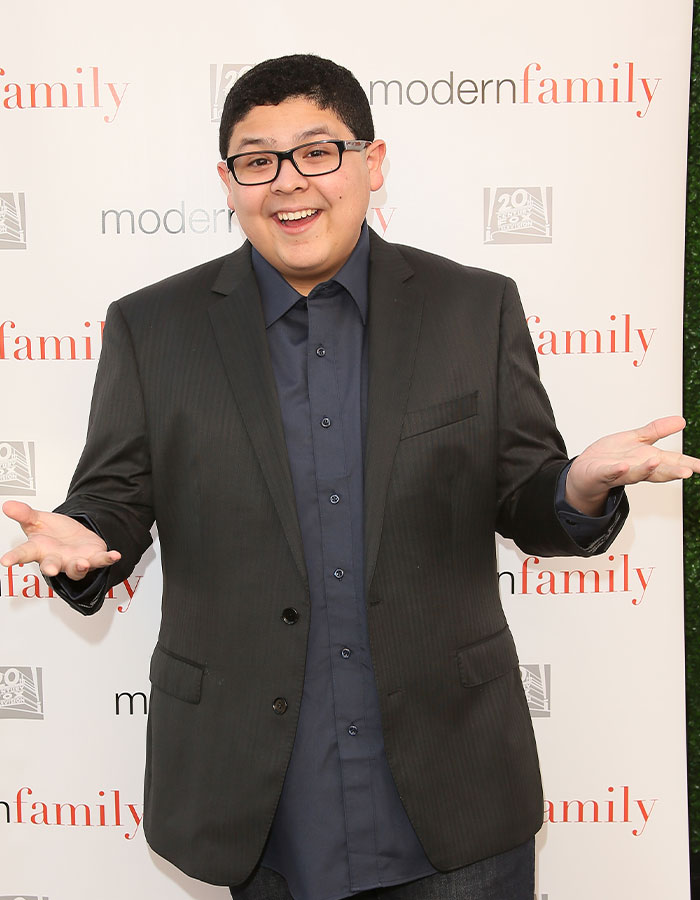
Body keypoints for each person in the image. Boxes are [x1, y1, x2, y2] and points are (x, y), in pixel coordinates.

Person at [2, 54, 698, 900]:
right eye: (257, 160)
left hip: (455, 785)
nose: (288, 182)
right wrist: (88, 539)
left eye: (318, 151)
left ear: (371, 163)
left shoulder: (473, 307)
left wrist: (580, 485)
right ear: (229, 182)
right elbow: (113, 499)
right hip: (258, 794)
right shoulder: (154, 327)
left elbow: (526, 497)